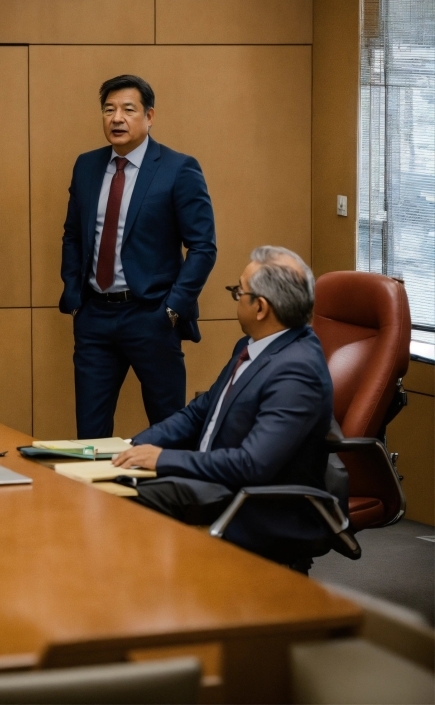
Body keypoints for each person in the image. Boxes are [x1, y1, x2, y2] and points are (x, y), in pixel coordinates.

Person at [113, 246, 334, 566]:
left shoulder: (297, 372)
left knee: (120, 500)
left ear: (260, 308)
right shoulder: (252, 346)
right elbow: (199, 412)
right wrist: (136, 444)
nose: (236, 298)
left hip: (252, 501)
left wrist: (163, 459)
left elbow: (252, 465)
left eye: (238, 291)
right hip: (215, 481)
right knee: (109, 481)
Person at [60, 74, 216, 439]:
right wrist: (74, 294)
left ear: (149, 117)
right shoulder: (86, 166)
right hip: (95, 317)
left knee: (168, 431)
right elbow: (72, 234)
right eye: (109, 110)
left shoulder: (179, 169)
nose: (117, 118)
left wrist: (173, 308)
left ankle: (168, 497)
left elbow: (203, 247)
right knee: (91, 434)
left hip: (152, 316)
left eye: (128, 110)